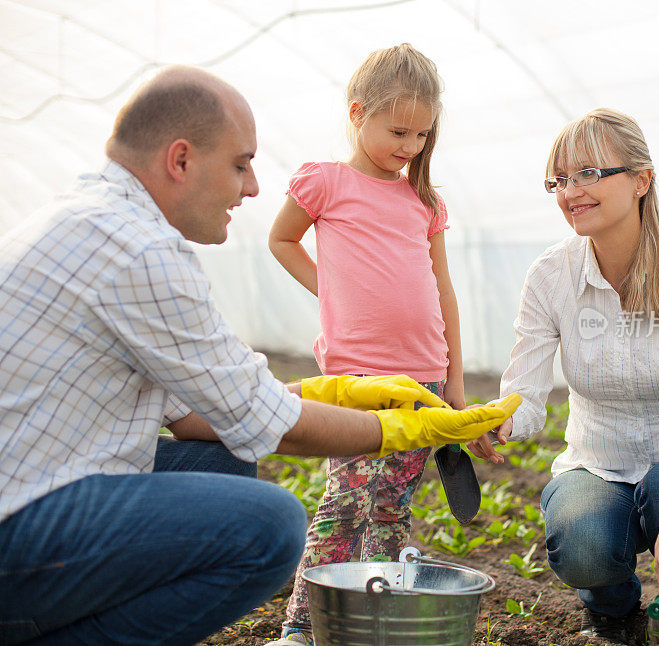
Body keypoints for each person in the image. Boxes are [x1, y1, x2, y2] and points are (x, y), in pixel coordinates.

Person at [0, 65, 519, 646]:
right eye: (240, 165)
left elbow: (203, 416)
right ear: (181, 160)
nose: (250, 188)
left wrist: (344, 394)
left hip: (37, 482)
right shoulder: (140, 251)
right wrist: (387, 424)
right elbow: (260, 420)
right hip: (18, 520)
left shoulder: (96, 217)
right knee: (270, 524)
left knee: (220, 463)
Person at [467, 108, 659, 646]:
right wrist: (497, 420)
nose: (569, 193)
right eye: (559, 181)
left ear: (642, 180)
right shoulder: (550, 276)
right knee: (582, 538)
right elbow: (525, 393)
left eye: (588, 174)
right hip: (598, 464)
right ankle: (613, 613)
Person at [266, 43, 464, 645]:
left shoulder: (423, 201)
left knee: (392, 508)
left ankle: (374, 620)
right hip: (354, 377)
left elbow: (444, 291)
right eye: (398, 130)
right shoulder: (325, 183)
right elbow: (281, 241)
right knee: (344, 503)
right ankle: (301, 625)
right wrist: (334, 291)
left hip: (423, 374)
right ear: (358, 114)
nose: (410, 147)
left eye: (422, 136)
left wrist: (452, 384)